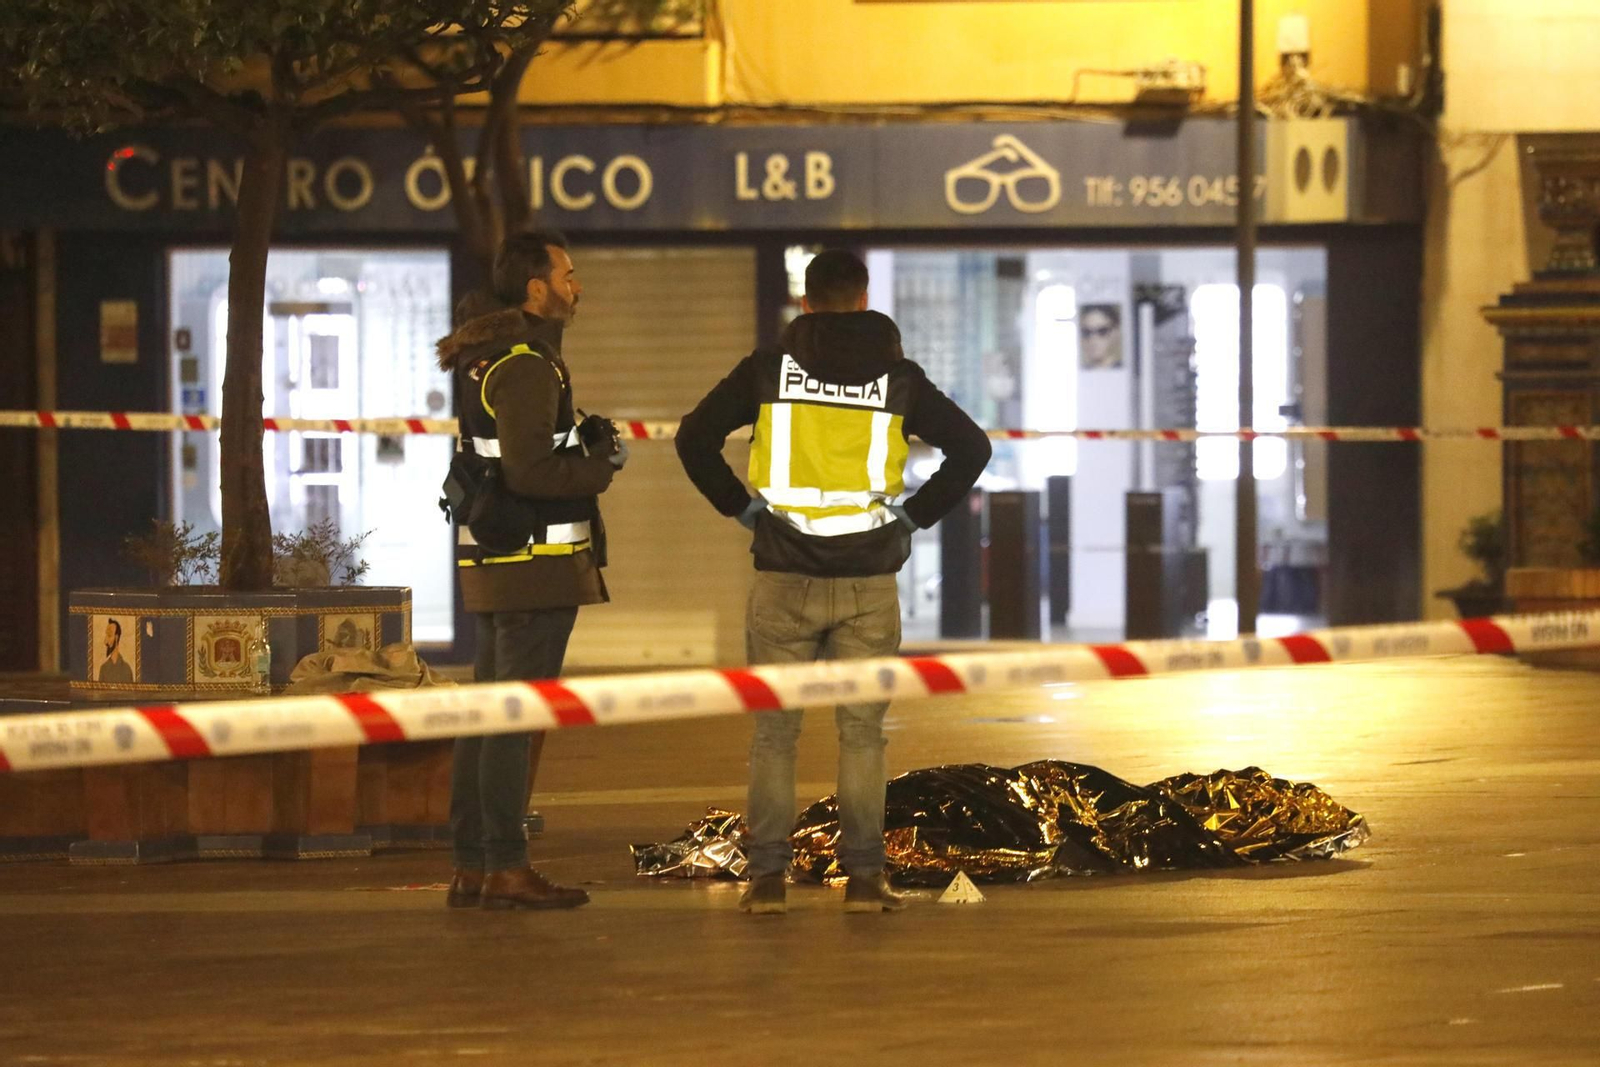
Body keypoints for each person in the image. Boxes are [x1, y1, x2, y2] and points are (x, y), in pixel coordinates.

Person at [675, 249, 991, 915]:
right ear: (865, 296)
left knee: (774, 735)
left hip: (783, 577)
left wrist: (745, 509)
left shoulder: (768, 369)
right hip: (868, 581)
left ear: (807, 302)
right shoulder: (899, 378)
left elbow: (694, 437)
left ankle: (765, 881)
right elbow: (972, 447)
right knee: (863, 735)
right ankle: (867, 878)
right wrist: (911, 517)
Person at [435, 230, 627, 911]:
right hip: (532, 570)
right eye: (568, 274)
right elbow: (528, 470)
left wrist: (580, 438)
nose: (578, 285)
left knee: (487, 716)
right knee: (511, 718)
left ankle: (474, 866)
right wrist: (599, 466)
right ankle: (504, 865)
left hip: (503, 565)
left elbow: (519, 455)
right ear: (536, 287)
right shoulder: (525, 365)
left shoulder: (499, 360)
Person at [97, 619, 134, 684]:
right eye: (106, 635)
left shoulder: (127, 669)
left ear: (116, 637)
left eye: (109, 635)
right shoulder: (103, 669)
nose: (105, 641)